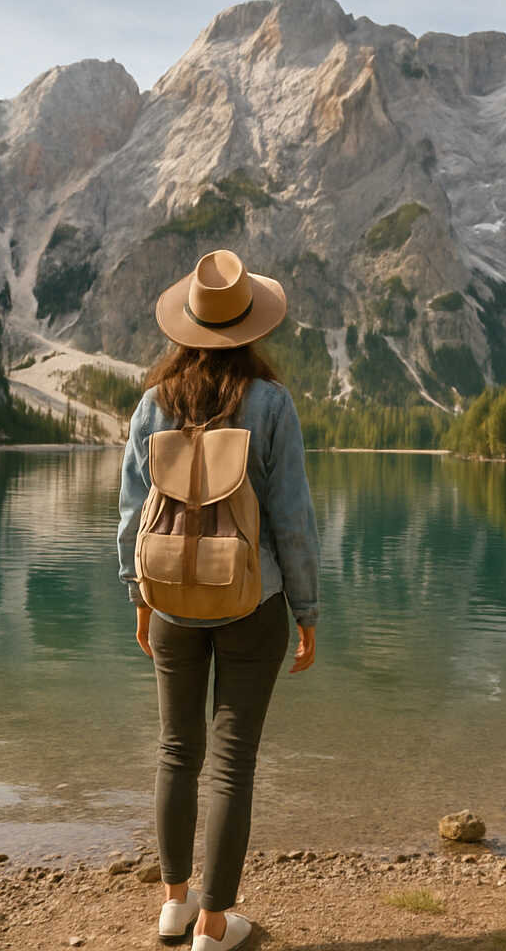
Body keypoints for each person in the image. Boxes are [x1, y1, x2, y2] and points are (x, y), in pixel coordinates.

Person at [117, 249, 320, 951]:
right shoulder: (270, 404)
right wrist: (307, 612)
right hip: (250, 602)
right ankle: (213, 926)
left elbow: (128, 517)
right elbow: (292, 519)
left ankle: (173, 906)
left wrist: (140, 600)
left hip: (169, 599)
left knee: (177, 751)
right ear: (249, 327)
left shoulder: (152, 404)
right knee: (233, 762)